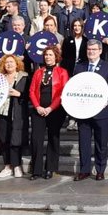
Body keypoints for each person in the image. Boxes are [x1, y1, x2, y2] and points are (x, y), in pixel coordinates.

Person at [72, 40, 108, 181]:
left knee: (101, 143)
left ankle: (100, 169)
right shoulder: (79, 67)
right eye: (89, 49)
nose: (91, 52)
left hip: (102, 112)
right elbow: (74, 86)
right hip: (83, 111)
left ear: (100, 51)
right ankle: (84, 170)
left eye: (94, 49)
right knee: (84, 142)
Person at [28, 46, 69, 180]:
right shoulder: (38, 72)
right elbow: (32, 91)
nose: (48, 57)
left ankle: (50, 169)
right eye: (46, 55)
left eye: (50, 55)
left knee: (53, 138)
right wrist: (37, 106)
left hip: (55, 110)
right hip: (38, 109)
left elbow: (63, 92)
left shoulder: (62, 72)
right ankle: (36, 170)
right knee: (36, 139)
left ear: (56, 56)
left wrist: (51, 108)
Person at [0, 54, 29, 178]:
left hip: (17, 112)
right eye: (6, 62)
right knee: (4, 139)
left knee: (15, 139)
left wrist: (19, 94)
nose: (9, 64)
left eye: (11, 62)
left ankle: (17, 165)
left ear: (17, 64)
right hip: (1, 112)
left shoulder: (23, 77)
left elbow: (29, 95)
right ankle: (7, 166)